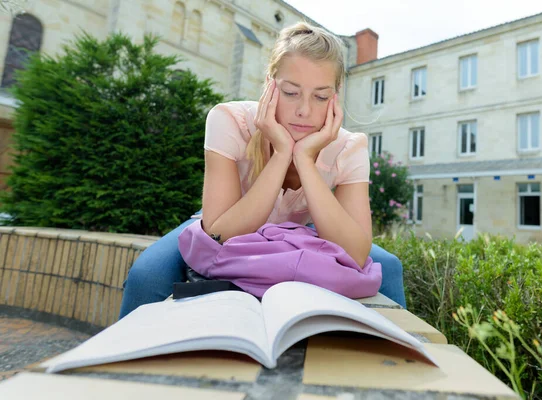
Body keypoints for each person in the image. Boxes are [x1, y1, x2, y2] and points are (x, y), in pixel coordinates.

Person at [119, 22, 406, 319]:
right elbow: (219, 233)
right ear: (270, 83)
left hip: (297, 232)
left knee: (391, 268)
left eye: (320, 96)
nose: (304, 111)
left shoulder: (350, 147)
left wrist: (305, 160)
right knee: (147, 274)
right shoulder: (229, 119)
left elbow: (357, 254)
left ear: (336, 94)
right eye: (291, 92)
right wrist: (282, 154)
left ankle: (401, 362)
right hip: (224, 223)